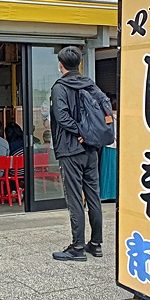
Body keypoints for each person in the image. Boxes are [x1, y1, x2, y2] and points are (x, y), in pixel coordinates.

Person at [49, 46, 104, 262]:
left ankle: (78, 246)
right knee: (93, 196)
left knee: (74, 198)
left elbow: (61, 117)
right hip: (91, 150)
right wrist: (90, 136)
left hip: (70, 150)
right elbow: (102, 110)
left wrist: (80, 133)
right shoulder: (90, 84)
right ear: (79, 63)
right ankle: (96, 244)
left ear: (61, 65)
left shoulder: (59, 87)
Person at [99, 96, 118, 202]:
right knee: (116, 170)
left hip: (108, 145)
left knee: (107, 171)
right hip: (116, 146)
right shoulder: (122, 117)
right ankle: (115, 193)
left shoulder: (107, 117)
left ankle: (107, 194)